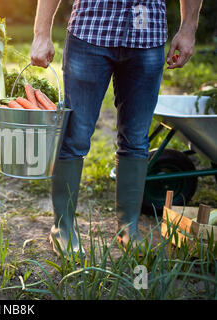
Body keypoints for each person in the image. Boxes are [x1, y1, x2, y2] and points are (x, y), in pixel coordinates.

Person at [30, 0, 203, 255]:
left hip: (148, 36)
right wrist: (41, 33)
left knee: (136, 140)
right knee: (75, 136)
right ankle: (62, 228)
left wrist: (189, 27)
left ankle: (128, 229)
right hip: (90, 32)